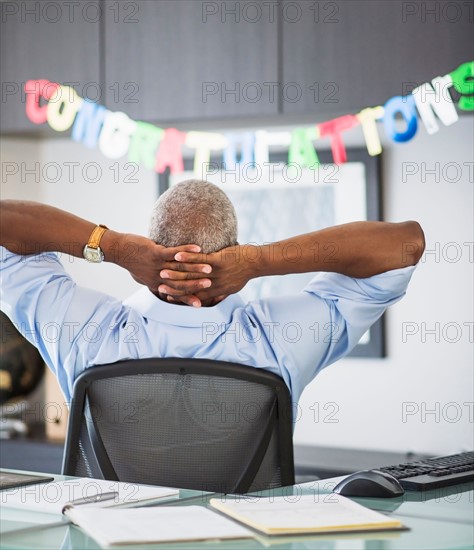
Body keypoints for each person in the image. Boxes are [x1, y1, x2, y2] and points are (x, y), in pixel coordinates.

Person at [0, 180, 425, 410]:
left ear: (152, 248)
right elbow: (404, 245)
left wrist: (115, 248)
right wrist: (259, 261)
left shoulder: (86, 332)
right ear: (233, 247)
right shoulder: (281, 339)